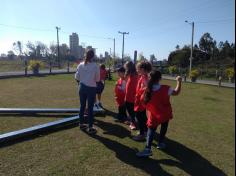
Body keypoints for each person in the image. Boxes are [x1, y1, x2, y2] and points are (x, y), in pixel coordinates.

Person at [136, 70, 182, 157]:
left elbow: (142, 100)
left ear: (149, 78)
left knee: (151, 130)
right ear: (160, 78)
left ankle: (148, 149)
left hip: (154, 115)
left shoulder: (146, 90)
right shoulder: (166, 88)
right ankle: (160, 143)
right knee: (164, 127)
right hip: (165, 113)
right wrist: (179, 82)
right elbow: (176, 92)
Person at [75, 49, 100, 135]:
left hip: (82, 87)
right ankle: (90, 127)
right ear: (93, 56)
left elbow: (77, 77)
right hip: (91, 89)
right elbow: (97, 79)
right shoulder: (95, 66)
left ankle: (81, 124)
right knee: (90, 108)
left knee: (82, 106)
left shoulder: (80, 65)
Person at [133, 61, 152, 141]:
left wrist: (141, 91)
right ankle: (145, 131)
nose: (137, 70)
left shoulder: (145, 78)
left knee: (140, 117)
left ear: (143, 69)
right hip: (139, 100)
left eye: (138, 69)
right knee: (142, 117)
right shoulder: (143, 76)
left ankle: (142, 134)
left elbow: (148, 88)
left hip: (141, 101)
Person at [124, 61, 139, 130]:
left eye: (126, 66)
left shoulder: (134, 74)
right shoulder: (130, 74)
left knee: (131, 110)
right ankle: (131, 120)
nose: (125, 67)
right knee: (129, 108)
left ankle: (133, 123)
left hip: (132, 96)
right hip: (128, 95)